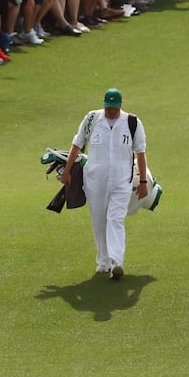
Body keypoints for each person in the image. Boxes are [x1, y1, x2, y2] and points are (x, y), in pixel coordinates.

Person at [62, 88, 148, 280]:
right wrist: (67, 170)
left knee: (115, 219)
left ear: (120, 106)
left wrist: (142, 181)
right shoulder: (92, 119)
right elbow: (77, 144)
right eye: (108, 108)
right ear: (104, 105)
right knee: (99, 221)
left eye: (114, 108)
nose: (111, 112)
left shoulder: (132, 122)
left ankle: (117, 261)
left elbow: (141, 153)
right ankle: (103, 261)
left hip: (121, 181)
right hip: (95, 181)